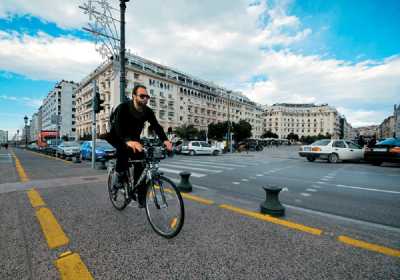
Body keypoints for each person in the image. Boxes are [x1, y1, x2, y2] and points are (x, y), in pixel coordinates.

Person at [107, 85, 172, 207]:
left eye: (147, 96)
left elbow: (156, 126)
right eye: (142, 96)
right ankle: (117, 181)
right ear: (134, 96)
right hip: (118, 136)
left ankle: (140, 195)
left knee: (142, 160)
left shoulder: (147, 111)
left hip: (135, 139)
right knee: (123, 153)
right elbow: (117, 128)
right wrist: (127, 141)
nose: (145, 99)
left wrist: (165, 140)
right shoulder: (123, 108)